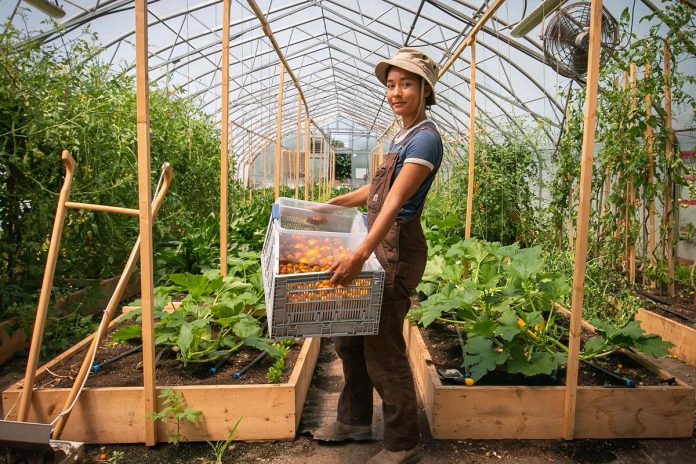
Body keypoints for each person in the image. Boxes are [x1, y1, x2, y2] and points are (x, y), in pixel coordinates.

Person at [312, 47, 443, 464]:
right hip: (376, 244)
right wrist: (336, 203)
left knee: (382, 347)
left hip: (395, 250)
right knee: (349, 337)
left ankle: (402, 444)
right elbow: (374, 192)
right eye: (391, 84)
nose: (396, 92)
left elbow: (393, 204)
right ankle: (353, 420)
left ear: (425, 89)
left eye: (406, 84)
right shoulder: (400, 136)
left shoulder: (425, 138)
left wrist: (357, 255)